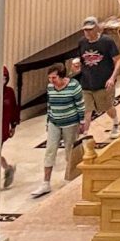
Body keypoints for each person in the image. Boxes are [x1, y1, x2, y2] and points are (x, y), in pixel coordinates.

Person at [33, 63, 83, 197]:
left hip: (70, 123)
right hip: (55, 122)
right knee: (50, 150)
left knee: (69, 151)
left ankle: (70, 177)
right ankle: (45, 182)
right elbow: (49, 105)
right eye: (49, 78)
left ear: (61, 77)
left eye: (54, 78)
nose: (51, 81)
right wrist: (48, 121)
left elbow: (80, 104)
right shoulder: (50, 87)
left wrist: (82, 122)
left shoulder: (74, 86)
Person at [74, 15, 120, 130]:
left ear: (97, 28)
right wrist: (76, 65)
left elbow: (118, 60)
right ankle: (85, 134)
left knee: (107, 108)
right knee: (87, 110)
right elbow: (81, 59)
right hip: (86, 83)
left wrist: (112, 78)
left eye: (90, 29)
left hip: (103, 83)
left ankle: (115, 123)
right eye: (85, 30)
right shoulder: (82, 42)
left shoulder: (107, 41)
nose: (87, 32)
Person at [1, 66, 20, 189]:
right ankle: (8, 168)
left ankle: (7, 169)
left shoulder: (9, 92)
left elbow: (14, 110)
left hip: (2, 129)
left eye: (4, 78)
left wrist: (13, 125)